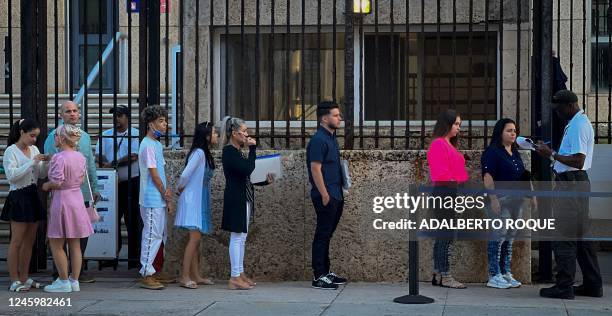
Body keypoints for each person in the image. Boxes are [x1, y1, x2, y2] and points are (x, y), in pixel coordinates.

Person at [535, 90, 603, 299]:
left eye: (558, 109)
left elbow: (578, 160)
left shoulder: (578, 125)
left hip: (571, 186)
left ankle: (564, 285)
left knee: (564, 236)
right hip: (576, 185)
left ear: (569, 106)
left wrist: (551, 154)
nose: (557, 113)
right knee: (582, 237)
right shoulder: (577, 122)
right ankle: (593, 284)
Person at [44, 101, 99, 283]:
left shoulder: (84, 136)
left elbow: (90, 163)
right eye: (68, 111)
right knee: (59, 235)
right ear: (61, 115)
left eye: (75, 111)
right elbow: (51, 164)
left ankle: (77, 273)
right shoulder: (54, 136)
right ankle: (59, 273)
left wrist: (95, 187)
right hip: (62, 194)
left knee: (79, 236)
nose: (73, 114)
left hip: (82, 193)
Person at [220, 116, 274, 290]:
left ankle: (240, 272)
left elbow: (248, 176)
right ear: (234, 133)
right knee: (236, 237)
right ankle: (234, 277)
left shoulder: (237, 152)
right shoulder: (229, 151)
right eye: (244, 132)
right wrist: (253, 149)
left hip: (244, 197)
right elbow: (248, 168)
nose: (246, 135)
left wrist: (265, 180)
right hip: (236, 198)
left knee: (242, 237)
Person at [481, 118, 536, 289]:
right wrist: (494, 199)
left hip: (517, 201)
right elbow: (488, 177)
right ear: (500, 133)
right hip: (501, 201)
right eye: (509, 130)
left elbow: (524, 175)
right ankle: (494, 274)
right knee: (499, 236)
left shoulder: (515, 152)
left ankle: (505, 272)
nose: (513, 133)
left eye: (514, 130)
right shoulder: (492, 152)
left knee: (509, 238)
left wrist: (533, 195)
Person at [2, 119, 49, 292]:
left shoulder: (34, 149)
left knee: (29, 241)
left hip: (32, 195)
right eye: (31, 136)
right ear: (21, 132)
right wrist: (32, 162)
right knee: (17, 241)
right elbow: (12, 176)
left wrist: (46, 162)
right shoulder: (10, 151)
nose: (34, 140)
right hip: (18, 196)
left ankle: (24, 277)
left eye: (36, 136)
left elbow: (41, 173)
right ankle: (14, 279)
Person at [307, 101, 347, 290]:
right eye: (336, 115)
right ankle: (318, 275)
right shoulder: (318, 140)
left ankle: (326, 272)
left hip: (336, 194)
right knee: (322, 234)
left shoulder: (332, 138)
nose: (339, 118)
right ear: (324, 118)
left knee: (327, 235)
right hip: (326, 195)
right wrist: (324, 194)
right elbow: (315, 168)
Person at [426, 109, 468, 289]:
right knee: (446, 237)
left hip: (450, 192)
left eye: (459, 124)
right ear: (447, 124)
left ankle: (438, 273)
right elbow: (440, 172)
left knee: (444, 236)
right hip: (445, 193)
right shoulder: (438, 144)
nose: (459, 128)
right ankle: (446, 275)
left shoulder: (448, 144)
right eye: (456, 124)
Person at [96, 105, 142, 269]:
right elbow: (98, 154)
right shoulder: (106, 135)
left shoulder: (136, 134)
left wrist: (112, 163)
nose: (116, 119)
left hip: (131, 182)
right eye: (115, 115)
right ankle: (110, 256)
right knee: (110, 220)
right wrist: (103, 162)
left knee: (133, 220)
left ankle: (134, 258)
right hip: (111, 183)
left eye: (120, 115)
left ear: (127, 117)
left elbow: (134, 156)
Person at [175, 122, 218, 289]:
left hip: (200, 198)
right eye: (214, 133)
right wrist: (180, 187)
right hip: (193, 199)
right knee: (195, 238)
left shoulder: (203, 153)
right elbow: (186, 174)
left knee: (196, 238)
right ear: (206, 136)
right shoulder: (199, 153)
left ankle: (196, 275)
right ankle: (185, 277)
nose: (216, 136)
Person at [138, 105, 175, 290]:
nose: (165, 124)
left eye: (165, 120)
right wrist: (165, 193)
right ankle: (146, 273)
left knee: (160, 235)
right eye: (161, 121)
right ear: (151, 123)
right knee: (152, 235)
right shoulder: (147, 145)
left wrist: (166, 197)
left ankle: (156, 270)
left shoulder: (157, 145)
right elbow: (154, 174)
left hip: (158, 197)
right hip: (151, 198)